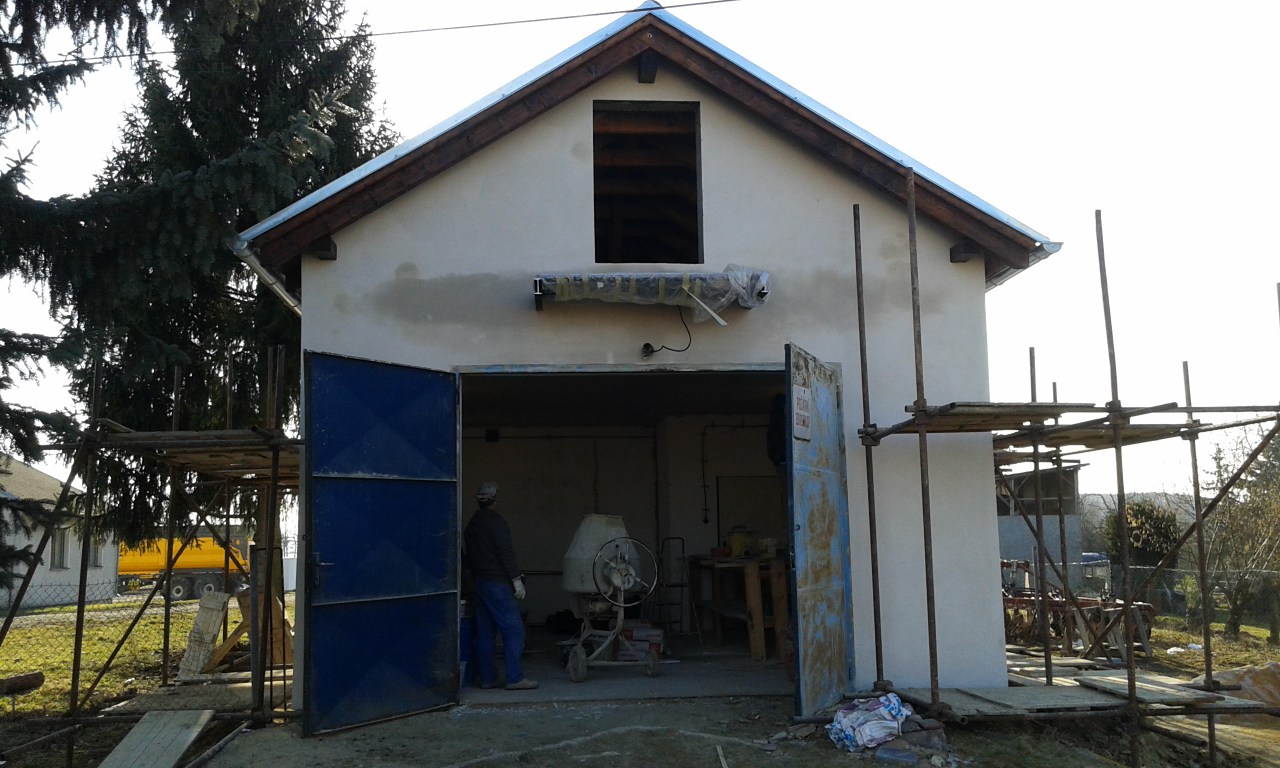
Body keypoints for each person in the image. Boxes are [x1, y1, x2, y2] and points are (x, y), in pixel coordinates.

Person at [463, 481, 538, 690]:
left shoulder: (472, 525)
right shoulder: (497, 523)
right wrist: (516, 580)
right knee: (514, 630)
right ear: (495, 500)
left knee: (485, 632)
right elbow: (506, 553)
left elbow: (468, 558)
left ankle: (487, 678)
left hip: (480, 584)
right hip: (498, 584)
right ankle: (515, 678)